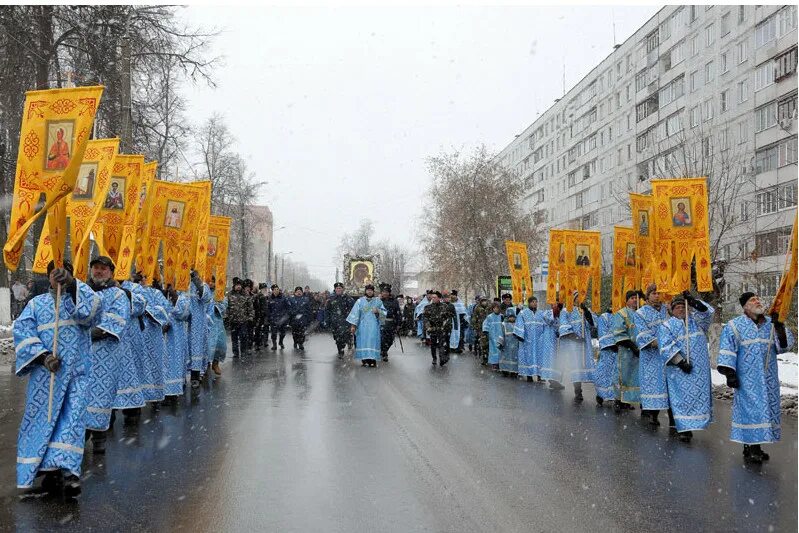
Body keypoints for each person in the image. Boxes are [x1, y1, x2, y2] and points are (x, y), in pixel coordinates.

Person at [14, 261, 100, 497]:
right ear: (49, 277)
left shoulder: (78, 298)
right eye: (54, 274)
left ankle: (71, 474)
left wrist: (72, 285)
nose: (58, 278)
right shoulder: (35, 304)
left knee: (71, 423)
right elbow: (23, 332)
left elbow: (93, 311)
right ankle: (49, 472)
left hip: (76, 376)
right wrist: (43, 357)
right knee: (43, 423)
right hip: (46, 378)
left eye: (65, 274)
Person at [717, 292, 795, 463]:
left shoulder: (770, 325)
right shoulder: (734, 326)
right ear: (745, 306)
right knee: (751, 412)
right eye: (753, 300)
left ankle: (751, 445)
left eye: (758, 298)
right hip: (747, 380)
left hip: (768, 379)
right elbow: (727, 351)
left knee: (764, 412)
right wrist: (730, 374)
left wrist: (780, 326)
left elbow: (784, 346)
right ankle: (754, 448)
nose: (758, 301)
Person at [84, 256, 130, 454]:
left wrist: (89, 334)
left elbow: (116, 321)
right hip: (82, 356)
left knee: (101, 396)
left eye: (103, 268)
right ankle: (79, 436)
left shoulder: (117, 295)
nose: (99, 272)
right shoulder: (83, 292)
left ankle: (99, 439)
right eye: (96, 268)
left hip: (106, 354)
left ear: (111, 272)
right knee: (80, 397)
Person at [657, 293, 714, 443]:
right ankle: (684, 428)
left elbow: (707, 313)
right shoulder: (666, 326)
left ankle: (699, 422)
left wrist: (694, 301)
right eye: (677, 307)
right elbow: (666, 347)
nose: (681, 309)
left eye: (684, 306)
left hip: (699, 370)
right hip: (679, 370)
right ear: (672, 310)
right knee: (681, 399)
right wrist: (680, 362)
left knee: (698, 399)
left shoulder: (697, 322)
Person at [633, 284, 671, 427]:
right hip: (651, 356)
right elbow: (643, 336)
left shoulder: (666, 310)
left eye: (659, 293)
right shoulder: (640, 313)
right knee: (653, 384)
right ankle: (652, 414)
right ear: (647, 295)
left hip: (668, 355)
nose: (657, 296)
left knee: (669, 385)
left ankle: (674, 419)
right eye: (654, 293)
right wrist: (663, 342)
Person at [558, 291, 596, 403]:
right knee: (576, 367)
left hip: (585, 343)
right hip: (573, 344)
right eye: (578, 297)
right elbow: (564, 327)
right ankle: (578, 391)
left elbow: (593, 324)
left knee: (586, 365)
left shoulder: (584, 310)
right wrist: (576, 337)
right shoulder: (566, 311)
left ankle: (600, 393)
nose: (581, 299)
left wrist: (587, 312)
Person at [611, 290, 641, 412]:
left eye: (636, 298)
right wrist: (632, 347)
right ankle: (618, 400)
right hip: (626, 351)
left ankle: (628, 400)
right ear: (627, 300)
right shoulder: (621, 314)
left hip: (639, 351)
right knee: (622, 375)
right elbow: (619, 333)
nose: (635, 300)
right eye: (632, 298)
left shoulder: (641, 313)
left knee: (635, 377)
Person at [514, 297, 556, 383]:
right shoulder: (523, 313)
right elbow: (519, 323)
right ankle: (529, 375)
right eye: (533, 302)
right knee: (528, 358)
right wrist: (520, 335)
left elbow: (549, 322)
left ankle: (540, 376)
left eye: (536, 302)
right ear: (529, 303)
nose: (535, 303)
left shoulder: (541, 313)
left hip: (539, 340)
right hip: (527, 340)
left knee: (539, 358)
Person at [347, 284, 386, 367]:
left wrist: (378, 311)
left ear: (373, 291)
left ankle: (373, 360)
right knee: (363, 342)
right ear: (365, 291)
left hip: (374, 325)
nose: (369, 291)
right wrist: (353, 325)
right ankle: (364, 359)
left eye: (371, 290)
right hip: (363, 326)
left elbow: (384, 313)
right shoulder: (360, 301)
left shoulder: (378, 301)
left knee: (373, 342)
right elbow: (355, 313)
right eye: (368, 290)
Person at [162, 284, 190, 397]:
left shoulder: (182, 295)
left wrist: (175, 298)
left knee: (174, 361)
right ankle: (164, 390)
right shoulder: (161, 292)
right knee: (163, 362)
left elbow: (184, 314)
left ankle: (173, 391)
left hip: (176, 335)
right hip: (162, 334)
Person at [187, 270, 213, 389]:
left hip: (197, 322)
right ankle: (180, 379)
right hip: (183, 322)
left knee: (196, 349)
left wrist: (197, 283)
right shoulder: (181, 285)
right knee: (182, 350)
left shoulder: (203, 285)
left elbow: (206, 297)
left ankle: (195, 376)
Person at [594, 308, 618, 405]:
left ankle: (619, 398)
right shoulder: (604, 317)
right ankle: (601, 394)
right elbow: (603, 333)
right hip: (608, 350)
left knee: (618, 375)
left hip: (621, 350)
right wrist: (613, 344)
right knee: (605, 373)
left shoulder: (624, 315)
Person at [423, 291, 453, 366]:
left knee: (441, 344)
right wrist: (428, 327)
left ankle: (442, 358)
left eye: (434, 297)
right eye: (432, 297)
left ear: (439, 298)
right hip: (432, 328)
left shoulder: (444, 306)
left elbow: (448, 318)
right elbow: (425, 318)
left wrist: (446, 327)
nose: (433, 299)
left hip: (442, 328)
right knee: (433, 344)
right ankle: (434, 358)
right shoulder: (428, 307)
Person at [326, 282, 355, 357]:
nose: (338, 289)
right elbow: (327, 310)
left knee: (343, 337)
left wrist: (351, 321)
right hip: (335, 322)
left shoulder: (348, 298)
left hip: (345, 322)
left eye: (340, 288)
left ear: (342, 289)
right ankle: (340, 349)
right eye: (337, 288)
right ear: (335, 289)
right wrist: (327, 321)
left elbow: (353, 309)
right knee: (337, 337)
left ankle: (341, 351)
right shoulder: (331, 299)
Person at [207, 277, 228, 375]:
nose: (211, 283)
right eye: (209, 281)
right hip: (206, 323)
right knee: (206, 344)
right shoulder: (204, 292)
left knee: (220, 344)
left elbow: (224, 304)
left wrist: (216, 307)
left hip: (217, 322)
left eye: (212, 281)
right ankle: (205, 365)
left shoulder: (219, 293)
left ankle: (215, 363)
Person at [228, 279, 254, 358]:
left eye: (239, 285)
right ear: (234, 286)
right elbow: (226, 307)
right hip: (233, 320)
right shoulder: (229, 295)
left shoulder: (245, 295)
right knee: (234, 337)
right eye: (237, 285)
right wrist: (226, 317)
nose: (238, 286)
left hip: (243, 320)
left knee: (243, 336)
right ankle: (235, 352)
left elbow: (250, 307)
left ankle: (243, 351)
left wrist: (250, 317)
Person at [379, 284, 401, 362]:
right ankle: (384, 352)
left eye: (386, 292)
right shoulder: (379, 300)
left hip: (391, 323)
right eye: (383, 292)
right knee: (382, 339)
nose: (384, 293)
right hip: (381, 322)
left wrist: (398, 324)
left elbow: (398, 313)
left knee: (390, 340)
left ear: (389, 293)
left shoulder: (394, 301)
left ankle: (385, 350)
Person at [482, 302, 504, 370]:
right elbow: (485, 324)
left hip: (500, 335)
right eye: (494, 308)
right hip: (492, 336)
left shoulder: (502, 316)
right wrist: (486, 332)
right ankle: (494, 363)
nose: (496, 309)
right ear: (492, 309)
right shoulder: (490, 317)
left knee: (500, 349)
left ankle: (500, 363)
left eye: (497, 308)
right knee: (494, 349)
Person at [268, 284, 290, 350]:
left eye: (277, 289)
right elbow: (268, 309)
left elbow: (288, 307)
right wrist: (270, 316)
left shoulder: (283, 298)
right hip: (273, 318)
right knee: (273, 333)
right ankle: (274, 345)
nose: (276, 290)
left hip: (282, 319)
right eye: (275, 289)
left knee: (283, 333)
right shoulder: (270, 298)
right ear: (272, 291)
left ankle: (281, 342)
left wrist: (286, 315)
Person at [470, 297, 491, 364]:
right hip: (481, 328)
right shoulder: (477, 308)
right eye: (483, 301)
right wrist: (475, 326)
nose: (484, 302)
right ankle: (484, 358)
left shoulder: (490, 308)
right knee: (483, 344)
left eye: (485, 301)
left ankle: (489, 357)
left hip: (489, 328)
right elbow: (474, 318)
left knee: (489, 343)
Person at [499, 310, 519, 376]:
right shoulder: (504, 324)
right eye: (510, 317)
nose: (512, 318)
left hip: (515, 344)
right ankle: (505, 370)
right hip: (506, 344)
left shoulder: (518, 324)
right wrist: (500, 343)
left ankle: (514, 371)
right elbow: (501, 334)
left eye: (513, 317)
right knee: (505, 357)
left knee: (514, 357)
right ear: (507, 317)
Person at [252, 283, 270, 349]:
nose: (265, 290)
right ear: (260, 289)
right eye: (263, 288)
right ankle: (257, 343)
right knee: (258, 329)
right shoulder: (258, 296)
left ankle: (264, 341)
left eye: (266, 288)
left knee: (266, 329)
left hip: (266, 315)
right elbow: (255, 306)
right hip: (259, 315)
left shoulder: (268, 296)